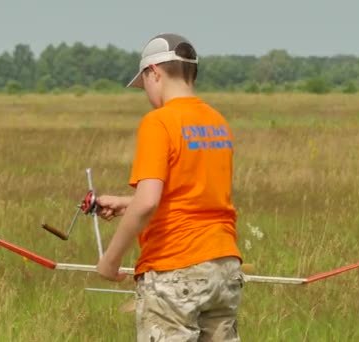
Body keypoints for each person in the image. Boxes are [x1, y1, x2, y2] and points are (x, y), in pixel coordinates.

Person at [95, 33, 244, 341]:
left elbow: (148, 201)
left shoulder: (158, 122)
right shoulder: (218, 123)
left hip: (174, 269)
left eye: (144, 83)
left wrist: (111, 261)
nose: (146, 93)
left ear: (154, 73)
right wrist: (128, 203)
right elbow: (194, 195)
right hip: (224, 269)